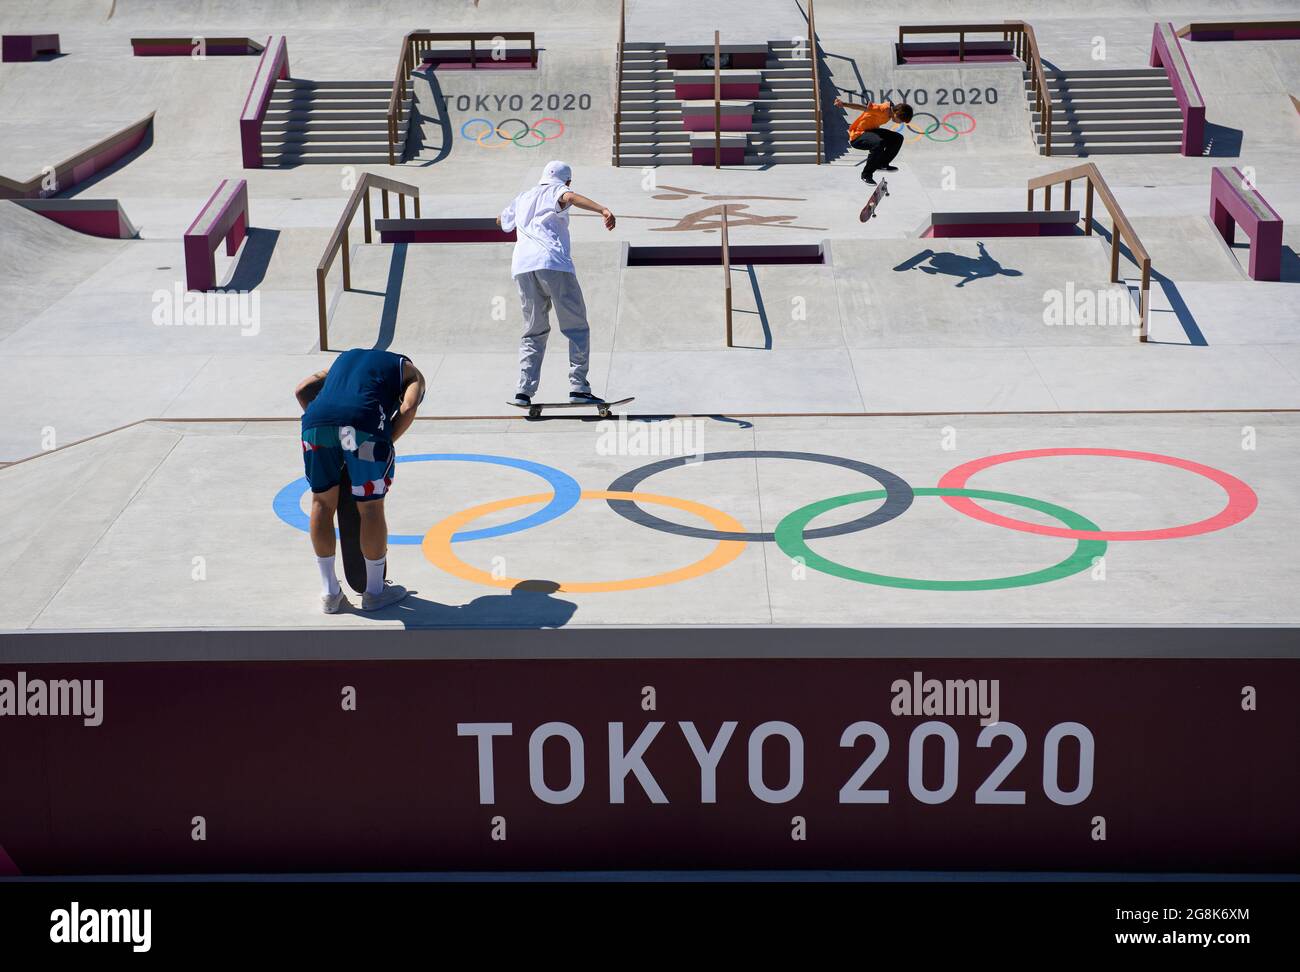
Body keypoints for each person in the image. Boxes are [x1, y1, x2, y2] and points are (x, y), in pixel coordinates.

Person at [294, 349, 426, 614]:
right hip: (363, 425)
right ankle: (375, 592)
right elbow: (408, 407)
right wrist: (384, 440)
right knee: (370, 506)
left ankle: (329, 593)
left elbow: (301, 390)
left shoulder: (343, 361)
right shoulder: (411, 372)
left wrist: (333, 434)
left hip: (317, 423)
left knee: (321, 502)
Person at [496, 160, 616, 407]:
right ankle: (579, 387)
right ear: (567, 181)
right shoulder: (557, 190)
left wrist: (524, 219)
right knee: (576, 327)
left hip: (522, 267)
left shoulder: (524, 196)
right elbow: (569, 198)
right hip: (553, 264)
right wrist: (603, 209)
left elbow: (501, 221)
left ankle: (523, 390)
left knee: (534, 330)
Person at [835, 96, 914, 185]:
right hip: (857, 136)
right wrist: (843, 104)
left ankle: (882, 164)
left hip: (871, 131)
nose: (900, 123)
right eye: (901, 121)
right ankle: (866, 175)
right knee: (879, 143)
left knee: (898, 138)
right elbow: (861, 107)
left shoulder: (891, 112)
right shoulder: (882, 109)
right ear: (897, 114)